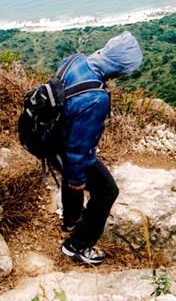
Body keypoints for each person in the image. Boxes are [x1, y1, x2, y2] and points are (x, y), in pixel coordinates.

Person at [51, 31, 143, 265]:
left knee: (73, 174)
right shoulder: (96, 99)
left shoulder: (74, 60)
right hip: (65, 144)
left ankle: (70, 220)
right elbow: (79, 149)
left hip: (51, 135)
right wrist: (76, 178)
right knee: (106, 191)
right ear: (119, 68)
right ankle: (76, 246)